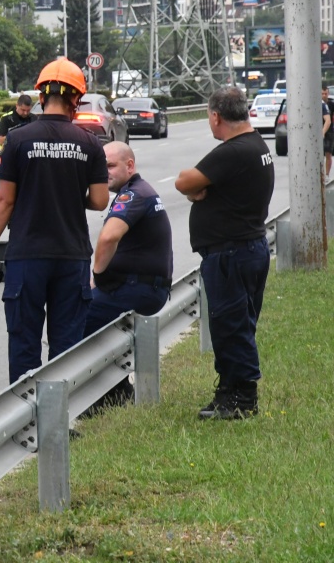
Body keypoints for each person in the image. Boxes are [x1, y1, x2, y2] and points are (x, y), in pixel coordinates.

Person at [0, 58, 109, 383]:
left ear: (41, 96)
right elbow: (101, 200)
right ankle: (62, 424)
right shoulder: (90, 143)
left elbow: (5, 201)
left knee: (24, 344)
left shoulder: (18, 140)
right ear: (76, 98)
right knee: (67, 347)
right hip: (71, 256)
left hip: (26, 256)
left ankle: (26, 425)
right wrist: (70, 195)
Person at [175, 86, 274, 420]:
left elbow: (183, 181)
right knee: (236, 324)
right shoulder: (257, 145)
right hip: (247, 248)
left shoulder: (233, 151)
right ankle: (229, 391)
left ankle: (243, 399)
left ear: (216, 116)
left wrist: (197, 190)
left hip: (231, 253)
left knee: (231, 326)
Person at [85, 141, 173, 339]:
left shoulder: (134, 194)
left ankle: (69, 369)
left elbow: (109, 237)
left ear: (130, 166)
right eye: (101, 167)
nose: (104, 172)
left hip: (138, 288)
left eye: (110, 166)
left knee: (75, 317)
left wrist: (99, 277)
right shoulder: (140, 189)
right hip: (145, 285)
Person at [322, 88, 333, 180]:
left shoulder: (331, 104)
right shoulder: (319, 104)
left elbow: (329, 120)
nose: (324, 95)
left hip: (329, 132)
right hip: (318, 130)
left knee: (328, 153)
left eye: (326, 93)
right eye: (322, 93)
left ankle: (327, 174)